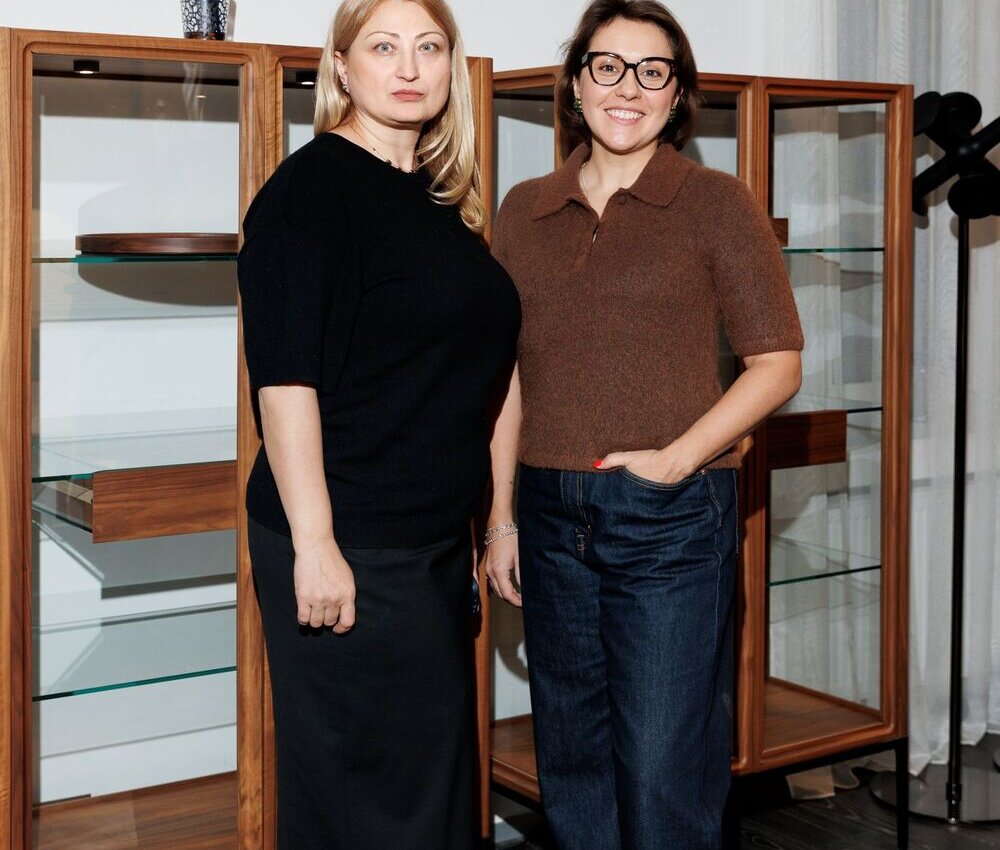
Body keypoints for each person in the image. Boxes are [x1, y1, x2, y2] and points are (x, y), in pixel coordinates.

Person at [484, 1, 803, 848]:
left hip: (670, 517)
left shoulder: (716, 202)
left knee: (665, 772)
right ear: (575, 83)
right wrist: (501, 516)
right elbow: (505, 376)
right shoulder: (523, 209)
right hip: (547, 513)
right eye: (608, 66)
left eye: (652, 71)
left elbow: (778, 363)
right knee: (573, 765)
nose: (628, 88)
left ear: (676, 95)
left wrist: (675, 460)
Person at [237, 0, 520, 847]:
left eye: (428, 48)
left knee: (431, 793)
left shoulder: (439, 199)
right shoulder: (310, 192)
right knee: (365, 803)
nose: (408, 67)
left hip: (430, 547)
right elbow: (285, 384)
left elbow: (491, 368)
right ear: (342, 66)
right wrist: (316, 545)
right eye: (384, 46)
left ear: (449, 68)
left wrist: (498, 519)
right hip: (350, 542)